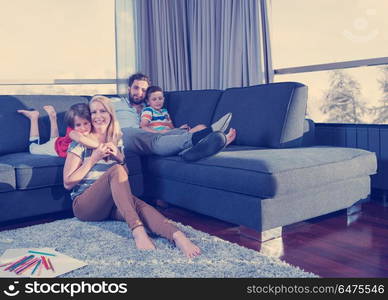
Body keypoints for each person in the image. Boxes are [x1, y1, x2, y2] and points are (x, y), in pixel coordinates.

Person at [63, 95, 201, 258]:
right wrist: (93, 159)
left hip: (111, 204)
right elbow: (67, 182)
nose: (98, 116)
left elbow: (123, 177)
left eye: (103, 111)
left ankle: (178, 236)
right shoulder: (81, 142)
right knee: (116, 173)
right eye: (94, 112)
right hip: (85, 206)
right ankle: (138, 231)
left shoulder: (116, 140)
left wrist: (119, 159)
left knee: (139, 205)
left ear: (110, 114)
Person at [111, 73, 236, 161]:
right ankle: (210, 133)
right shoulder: (116, 104)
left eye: (144, 90)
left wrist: (176, 129)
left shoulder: (151, 107)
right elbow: (95, 110)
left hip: (154, 137)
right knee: (143, 136)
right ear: (129, 88)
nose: (139, 93)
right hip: (128, 137)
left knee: (187, 131)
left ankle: (195, 150)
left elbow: (163, 126)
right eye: (136, 88)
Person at [17, 104, 97, 157]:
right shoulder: (72, 132)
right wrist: (101, 146)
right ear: (72, 125)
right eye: (78, 125)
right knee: (33, 148)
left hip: (60, 141)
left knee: (54, 139)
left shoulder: (93, 127)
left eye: (86, 123)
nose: (83, 128)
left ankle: (53, 117)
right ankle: (33, 117)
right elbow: (81, 139)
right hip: (55, 149)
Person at [140, 85, 206, 134]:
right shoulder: (148, 110)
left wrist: (179, 129)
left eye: (160, 98)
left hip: (170, 134)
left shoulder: (165, 111)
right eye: (154, 99)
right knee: (194, 133)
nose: (158, 101)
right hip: (160, 136)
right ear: (148, 102)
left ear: (163, 99)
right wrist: (159, 132)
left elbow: (171, 128)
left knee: (201, 127)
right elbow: (143, 127)